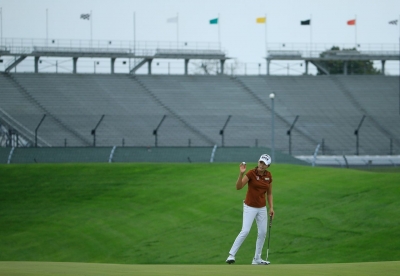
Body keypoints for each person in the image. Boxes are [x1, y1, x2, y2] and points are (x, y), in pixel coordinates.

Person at [226, 154, 274, 265]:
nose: (261, 165)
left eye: (264, 164)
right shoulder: (251, 173)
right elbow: (238, 187)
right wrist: (241, 173)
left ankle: (257, 259)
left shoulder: (268, 176)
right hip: (249, 206)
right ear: (258, 162)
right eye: (260, 162)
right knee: (245, 230)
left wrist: (271, 207)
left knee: (262, 232)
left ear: (268, 166)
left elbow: (269, 193)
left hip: (262, 208)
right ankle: (231, 255)